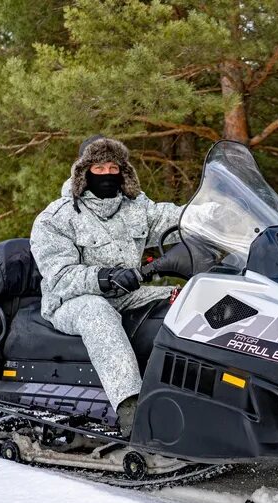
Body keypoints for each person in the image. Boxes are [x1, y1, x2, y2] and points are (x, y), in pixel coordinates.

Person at [30, 136, 182, 435]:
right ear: (83, 171)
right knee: (97, 311)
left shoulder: (135, 208)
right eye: (99, 168)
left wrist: (216, 215)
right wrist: (104, 277)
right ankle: (132, 410)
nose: (107, 174)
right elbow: (59, 277)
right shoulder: (57, 217)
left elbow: (174, 217)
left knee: (185, 297)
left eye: (114, 167)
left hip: (127, 293)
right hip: (72, 301)